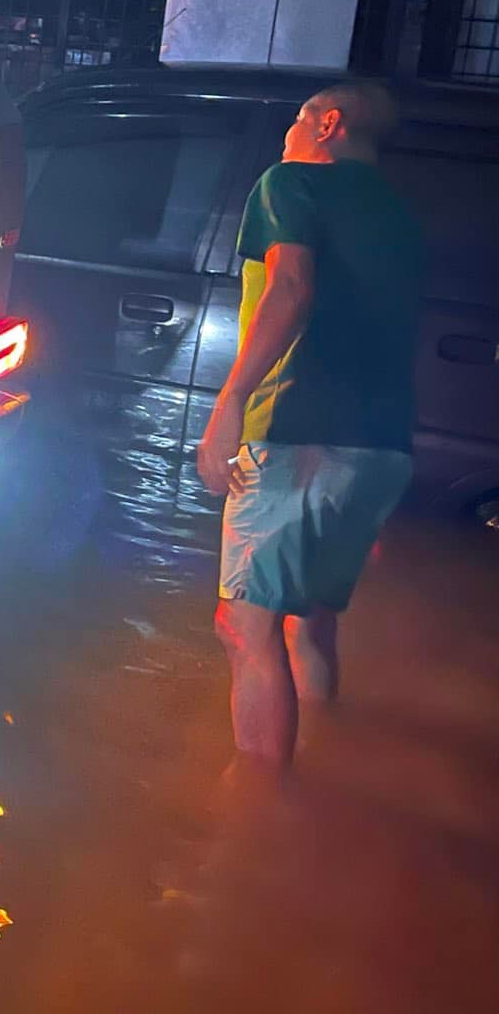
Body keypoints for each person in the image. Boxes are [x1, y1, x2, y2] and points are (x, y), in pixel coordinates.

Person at [194, 82, 423, 768]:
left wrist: (231, 399)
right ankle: (317, 770)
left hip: (296, 429)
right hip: (383, 446)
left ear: (330, 124)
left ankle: (259, 818)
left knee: (242, 625)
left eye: (295, 122)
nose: (286, 137)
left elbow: (291, 286)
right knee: (309, 624)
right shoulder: (403, 216)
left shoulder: (290, 183)